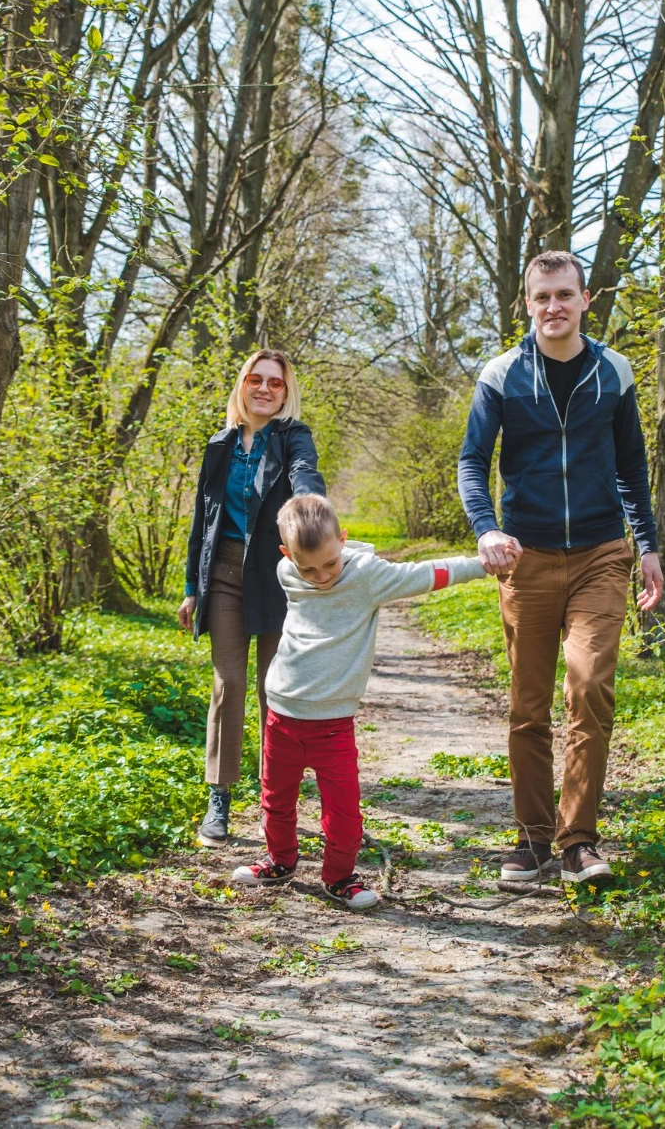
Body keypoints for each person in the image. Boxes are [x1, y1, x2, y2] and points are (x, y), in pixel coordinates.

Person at [457, 250, 664, 887]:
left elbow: (631, 465)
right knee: (528, 704)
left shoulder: (614, 372)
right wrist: (488, 528)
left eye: (565, 295)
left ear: (584, 301)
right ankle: (531, 838)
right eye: (542, 296)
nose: (554, 307)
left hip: (603, 554)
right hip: (529, 557)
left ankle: (579, 841)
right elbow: (471, 462)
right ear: (527, 302)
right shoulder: (501, 375)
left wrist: (647, 544)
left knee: (589, 685)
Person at [232, 494, 485, 910]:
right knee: (275, 799)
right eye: (307, 567)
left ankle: (339, 877)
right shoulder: (285, 570)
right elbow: (304, 569)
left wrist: (484, 563)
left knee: (344, 814)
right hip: (281, 713)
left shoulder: (368, 575)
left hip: (332, 723)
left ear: (344, 541)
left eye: (330, 563)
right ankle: (280, 861)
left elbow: (428, 573)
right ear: (286, 555)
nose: (320, 576)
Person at [178, 349, 325, 848]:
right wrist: (190, 589)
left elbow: (305, 474)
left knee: (274, 690)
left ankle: (274, 802)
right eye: (255, 379)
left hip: (278, 573)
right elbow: (204, 519)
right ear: (242, 385)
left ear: (286, 391)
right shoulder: (219, 444)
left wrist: (312, 512)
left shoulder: (291, 437)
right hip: (222, 574)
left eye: (275, 383)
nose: (264, 389)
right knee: (229, 682)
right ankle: (218, 798)